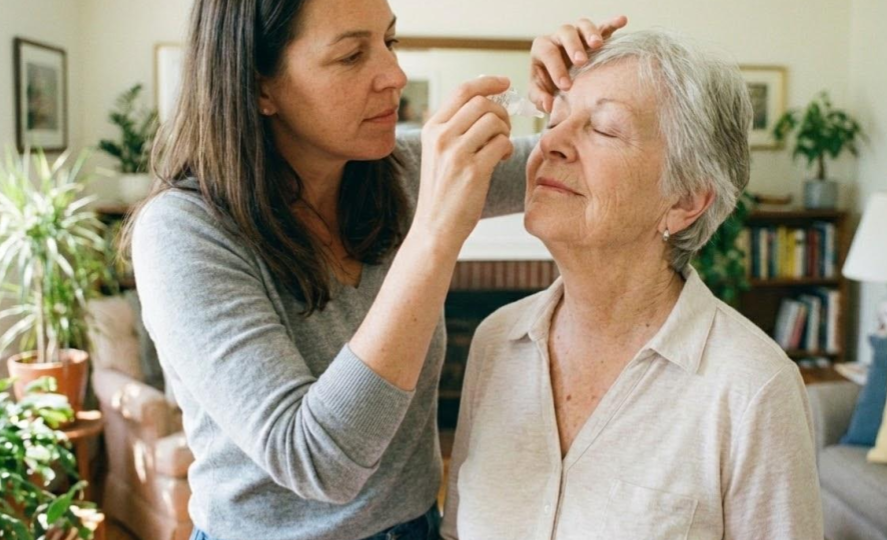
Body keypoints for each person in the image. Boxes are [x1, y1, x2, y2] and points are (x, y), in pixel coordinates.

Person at [124, 0, 625, 538]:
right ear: (260, 86)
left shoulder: (399, 171)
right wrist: (434, 232)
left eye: (390, 42)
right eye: (350, 56)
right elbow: (317, 463)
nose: (395, 76)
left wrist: (575, 95)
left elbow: (572, 164)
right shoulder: (182, 231)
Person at [441, 30, 824, 540]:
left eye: (603, 129)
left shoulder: (753, 387)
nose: (550, 142)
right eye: (553, 120)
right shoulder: (496, 341)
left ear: (685, 201)